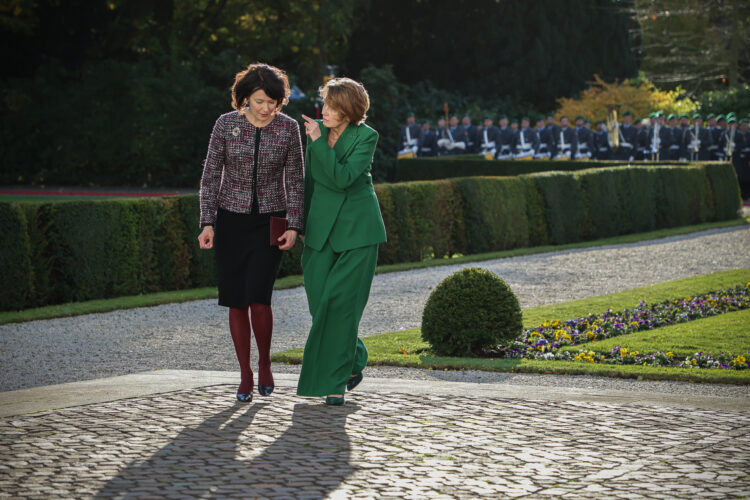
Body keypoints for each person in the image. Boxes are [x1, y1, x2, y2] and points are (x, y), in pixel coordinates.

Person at [198, 63, 304, 403]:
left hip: (269, 223)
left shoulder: (288, 130)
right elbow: (211, 176)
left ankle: (265, 362)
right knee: (236, 300)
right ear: (244, 98)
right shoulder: (225, 126)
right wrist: (207, 222)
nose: (266, 108)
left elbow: (297, 182)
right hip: (231, 221)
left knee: (259, 297)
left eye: (272, 101)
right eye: (259, 100)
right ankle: (244, 372)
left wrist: (294, 225)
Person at [298, 77, 387, 406]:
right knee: (320, 305)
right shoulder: (316, 135)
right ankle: (355, 357)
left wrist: (320, 143)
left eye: (334, 106)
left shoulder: (367, 136)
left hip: (358, 232)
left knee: (341, 307)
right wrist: (301, 223)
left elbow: (343, 179)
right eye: (325, 104)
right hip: (319, 232)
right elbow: (310, 181)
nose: (326, 111)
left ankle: (334, 385)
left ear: (350, 110)